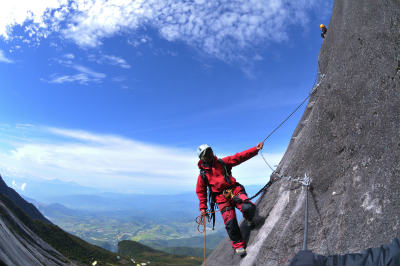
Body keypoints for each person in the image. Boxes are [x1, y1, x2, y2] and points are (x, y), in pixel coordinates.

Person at [196, 142, 264, 257]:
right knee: (230, 222)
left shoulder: (222, 162)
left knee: (248, 207)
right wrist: (203, 208)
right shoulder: (203, 175)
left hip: (234, 190)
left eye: (210, 151)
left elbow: (239, 157)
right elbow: (201, 191)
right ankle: (238, 244)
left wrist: (255, 149)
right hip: (222, 198)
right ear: (203, 158)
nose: (210, 154)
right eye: (207, 154)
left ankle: (248, 219)